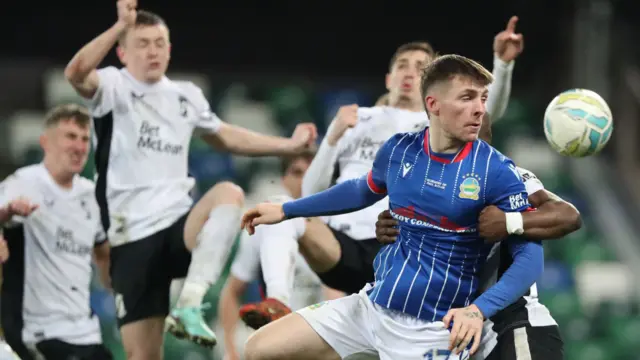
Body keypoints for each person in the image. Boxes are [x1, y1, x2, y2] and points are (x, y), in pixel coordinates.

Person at [240, 54, 545, 360]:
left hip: (432, 330)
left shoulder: (497, 172)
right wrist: (287, 210)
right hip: (369, 309)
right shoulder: (400, 149)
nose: (480, 109)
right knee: (259, 349)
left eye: (482, 98)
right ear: (434, 104)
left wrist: (478, 311)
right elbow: (361, 190)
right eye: (467, 98)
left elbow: (530, 259)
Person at [63, 1, 317, 356]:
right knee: (143, 355)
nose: (153, 51)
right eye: (142, 43)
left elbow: (226, 136)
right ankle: (184, 306)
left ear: (169, 49)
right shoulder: (112, 85)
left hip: (177, 227)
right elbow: (75, 72)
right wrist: (119, 25)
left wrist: (287, 145)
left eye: (160, 43)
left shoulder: (186, 95)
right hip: (130, 238)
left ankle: (191, 302)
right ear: (122, 51)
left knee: (228, 192)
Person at [374, 114, 579, 360]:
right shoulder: (425, 181)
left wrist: (509, 221)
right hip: (449, 329)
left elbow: (569, 216)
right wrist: (390, 229)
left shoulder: (512, 179)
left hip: (509, 322)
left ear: (486, 141)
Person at [0, 104, 112, 360]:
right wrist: (7, 212)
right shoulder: (24, 183)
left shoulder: (90, 196)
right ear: (45, 142)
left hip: (86, 333)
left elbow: (103, 251)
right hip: (39, 332)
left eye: (85, 139)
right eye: (70, 137)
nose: (79, 146)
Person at [218, 151, 341, 360]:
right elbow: (231, 292)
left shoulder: (340, 224)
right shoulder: (262, 226)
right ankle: (278, 302)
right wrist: (229, 351)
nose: (305, 180)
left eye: (312, 172)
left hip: (327, 341)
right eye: (297, 173)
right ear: (284, 179)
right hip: (280, 341)